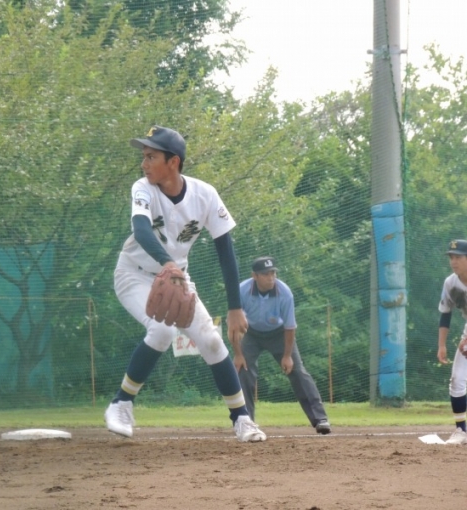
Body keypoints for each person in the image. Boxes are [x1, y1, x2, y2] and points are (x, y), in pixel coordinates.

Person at [104, 125, 266, 442]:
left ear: (173, 162)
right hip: (134, 273)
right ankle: (121, 403)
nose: (144, 163)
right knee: (162, 331)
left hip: (177, 279)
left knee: (211, 340)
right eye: (143, 156)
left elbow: (226, 251)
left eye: (151, 156)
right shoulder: (143, 188)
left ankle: (242, 419)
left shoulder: (205, 194)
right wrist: (167, 263)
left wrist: (235, 308)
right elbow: (141, 230)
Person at [236, 257, 331, 434]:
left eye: (273, 273)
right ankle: (245, 421)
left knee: (298, 371)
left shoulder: (284, 293)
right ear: (254, 276)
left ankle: (320, 419)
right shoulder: (242, 290)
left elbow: (290, 327)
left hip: (279, 334)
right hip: (251, 334)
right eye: (266, 274)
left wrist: (287, 356)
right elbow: (233, 324)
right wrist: (238, 354)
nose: (271, 277)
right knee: (243, 371)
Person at [437, 239, 467, 444]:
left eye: (458, 257)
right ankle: (461, 431)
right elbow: (445, 314)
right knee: (457, 379)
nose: (453, 262)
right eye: (451, 257)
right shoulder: (450, 283)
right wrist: (442, 345)